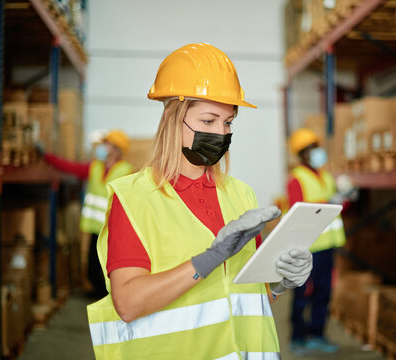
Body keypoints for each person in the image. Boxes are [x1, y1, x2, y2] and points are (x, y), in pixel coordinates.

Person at [85, 43, 314, 359]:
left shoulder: (241, 194)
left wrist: (279, 284)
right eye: (208, 121)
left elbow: (242, 296)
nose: (220, 133)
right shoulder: (135, 198)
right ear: (172, 117)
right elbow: (128, 303)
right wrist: (209, 258)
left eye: (228, 122)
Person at [39, 129, 134, 297]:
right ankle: (100, 296)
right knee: (92, 268)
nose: (102, 147)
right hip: (95, 228)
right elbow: (70, 167)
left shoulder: (127, 171)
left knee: (109, 267)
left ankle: (109, 299)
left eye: (107, 144)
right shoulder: (95, 167)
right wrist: (47, 156)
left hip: (115, 230)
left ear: (116, 149)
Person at [286, 127, 347, 356]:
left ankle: (317, 334)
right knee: (302, 294)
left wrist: (344, 197)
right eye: (311, 149)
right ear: (302, 154)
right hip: (307, 248)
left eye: (316, 147)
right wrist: (328, 200)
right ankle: (297, 338)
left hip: (327, 246)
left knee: (324, 293)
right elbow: (299, 211)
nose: (317, 152)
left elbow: (336, 209)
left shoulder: (326, 175)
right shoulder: (296, 179)